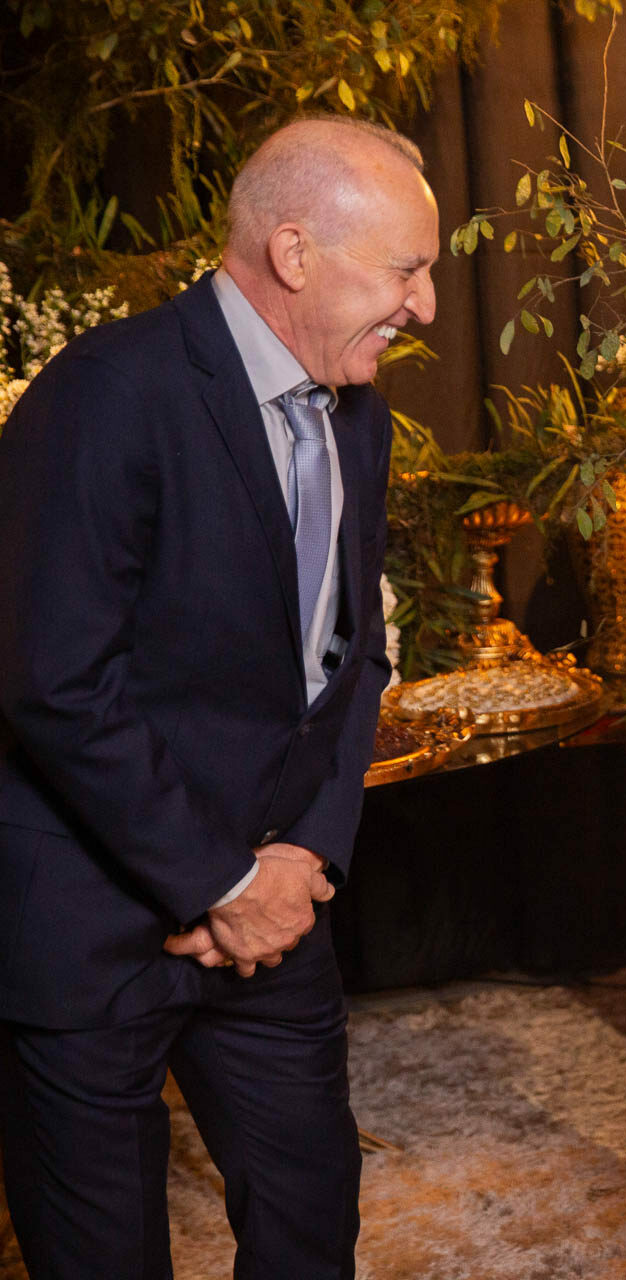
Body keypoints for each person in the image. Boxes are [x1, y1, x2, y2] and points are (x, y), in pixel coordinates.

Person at [0, 116, 437, 1277]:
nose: (426, 305)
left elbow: (352, 657)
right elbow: (53, 680)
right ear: (294, 252)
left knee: (311, 1228)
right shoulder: (108, 391)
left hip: (272, 915)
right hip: (91, 925)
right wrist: (218, 880)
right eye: (405, 269)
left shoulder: (358, 410)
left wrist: (300, 859)